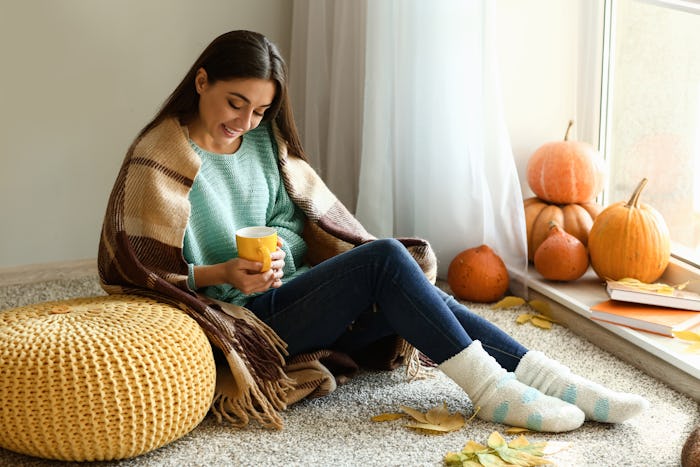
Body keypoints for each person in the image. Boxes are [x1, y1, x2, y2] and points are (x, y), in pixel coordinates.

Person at [99, 30, 648, 433]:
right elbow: (139, 271)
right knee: (385, 259)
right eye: (234, 103)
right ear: (201, 82)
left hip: (283, 297)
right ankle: (492, 390)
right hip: (236, 323)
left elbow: (295, 227)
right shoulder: (160, 157)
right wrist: (224, 274)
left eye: (261, 111)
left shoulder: (265, 146)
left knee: (408, 288)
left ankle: (556, 382)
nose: (245, 122)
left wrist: (277, 261)